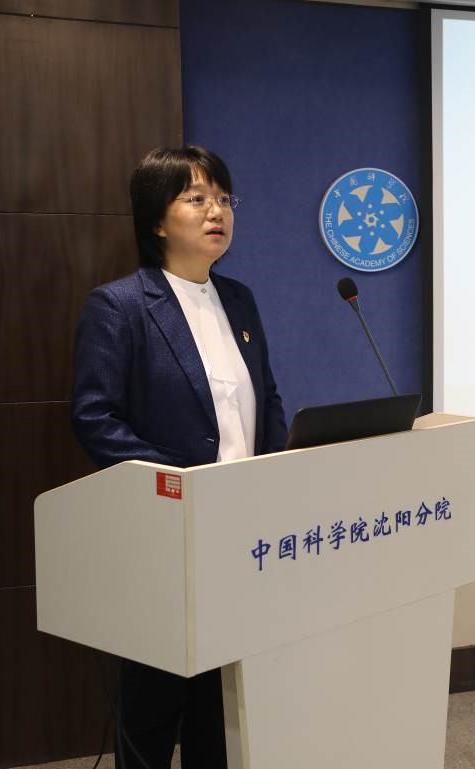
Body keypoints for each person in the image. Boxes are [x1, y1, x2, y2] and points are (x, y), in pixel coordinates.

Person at [71, 146, 287, 769]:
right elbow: (95, 417)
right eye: (196, 198)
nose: (216, 211)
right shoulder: (120, 306)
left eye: (223, 198)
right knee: (154, 701)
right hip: (168, 528)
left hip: (241, 528)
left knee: (221, 703)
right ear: (157, 220)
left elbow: (267, 398)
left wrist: (277, 474)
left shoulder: (239, 299)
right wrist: (185, 484)